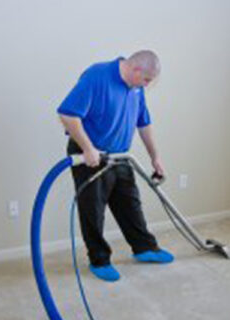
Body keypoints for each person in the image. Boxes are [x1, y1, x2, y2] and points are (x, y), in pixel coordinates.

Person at [57, 50, 174, 282]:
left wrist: (155, 157)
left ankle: (144, 247)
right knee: (93, 210)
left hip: (120, 156)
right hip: (90, 154)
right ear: (136, 69)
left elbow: (144, 123)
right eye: (147, 80)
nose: (147, 85)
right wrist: (88, 148)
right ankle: (99, 259)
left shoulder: (136, 88)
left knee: (130, 203)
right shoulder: (97, 76)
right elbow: (67, 114)